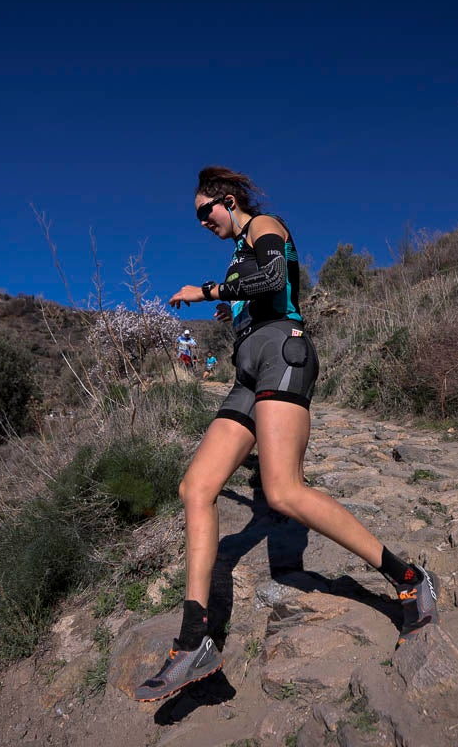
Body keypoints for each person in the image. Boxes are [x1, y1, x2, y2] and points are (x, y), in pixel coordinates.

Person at [134, 166, 440, 703]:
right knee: (196, 488)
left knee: (282, 491)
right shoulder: (237, 252)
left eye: (205, 211)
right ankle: (193, 642)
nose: (202, 222)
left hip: (283, 354)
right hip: (248, 372)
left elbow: (275, 278)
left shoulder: (263, 225)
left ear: (227, 201)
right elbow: (251, 293)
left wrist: (205, 290)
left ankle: (408, 577)